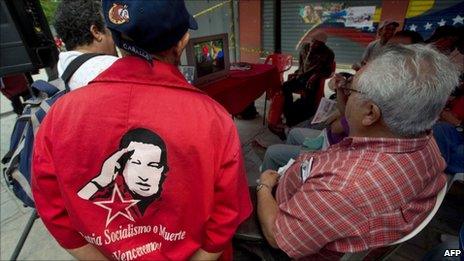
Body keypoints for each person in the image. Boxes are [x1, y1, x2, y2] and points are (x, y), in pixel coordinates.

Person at [32, 1, 251, 260]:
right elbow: (226, 216)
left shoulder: (60, 115)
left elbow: (52, 210)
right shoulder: (214, 119)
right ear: (183, 41)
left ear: (115, 37)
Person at [256, 44, 459, 259]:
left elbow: (277, 236)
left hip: (286, 228)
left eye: (352, 89)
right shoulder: (426, 141)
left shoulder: (344, 187)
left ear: (370, 113)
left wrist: (264, 186)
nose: (346, 93)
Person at [54, 0, 119, 90]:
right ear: (96, 32)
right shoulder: (112, 68)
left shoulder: (63, 67)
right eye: (110, 30)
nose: (114, 38)